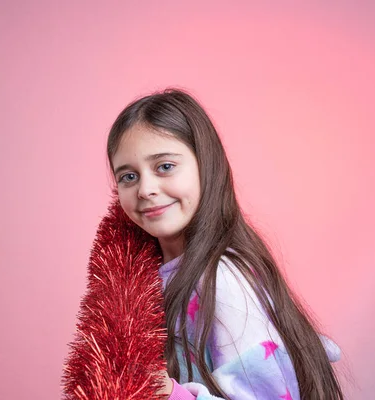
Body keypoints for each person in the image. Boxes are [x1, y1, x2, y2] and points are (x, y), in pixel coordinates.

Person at [105, 88, 343, 399]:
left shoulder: (222, 280)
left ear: (207, 166)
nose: (146, 189)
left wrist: (168, 393)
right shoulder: (141, 277)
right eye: (128, 176)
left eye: (165, 166)